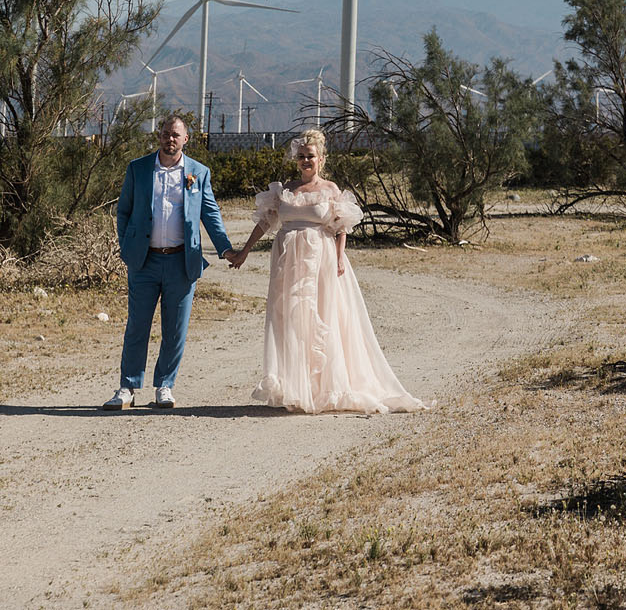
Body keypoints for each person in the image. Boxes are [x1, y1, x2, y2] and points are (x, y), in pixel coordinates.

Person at [231, 129, 429, 415]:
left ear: (321, 159)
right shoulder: (286, 190)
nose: (305, 161)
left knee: (323, 318)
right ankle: (300, 388)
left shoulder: (330, 190)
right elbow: (265, 223)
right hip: (287, 263)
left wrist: (338, 257)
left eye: (310, 156)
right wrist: (245, 251)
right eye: (301, 157)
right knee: (291, 320)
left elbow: (341, 226)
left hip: (320, 261)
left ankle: (328, 387)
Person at [103, 114, 237, 410]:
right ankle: (128, 386)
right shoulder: (138, 169)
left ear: (185, 139)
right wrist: (127, 246)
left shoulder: (198, 173)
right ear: (159, 136)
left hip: (181, 262)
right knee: (137, 326)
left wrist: (226, 249)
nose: (170, 139)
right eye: (165, 133)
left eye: (176, 135)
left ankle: (165, 385)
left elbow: (210, 214)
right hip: (145, 261)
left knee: (175, 329)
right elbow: (123, 211)